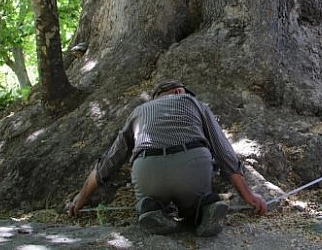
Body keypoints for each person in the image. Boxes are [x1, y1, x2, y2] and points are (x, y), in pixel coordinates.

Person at [65, 79, 267, 236]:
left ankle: (151, 208)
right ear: (180, 91)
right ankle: (202, 210)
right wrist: (248, 196)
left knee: (150, 198)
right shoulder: (192, 102)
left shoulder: (139, 111)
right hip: (191, 165)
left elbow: (109, 161)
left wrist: (79, 200)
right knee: (196, 201)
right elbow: (224, 152)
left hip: (148, 170)